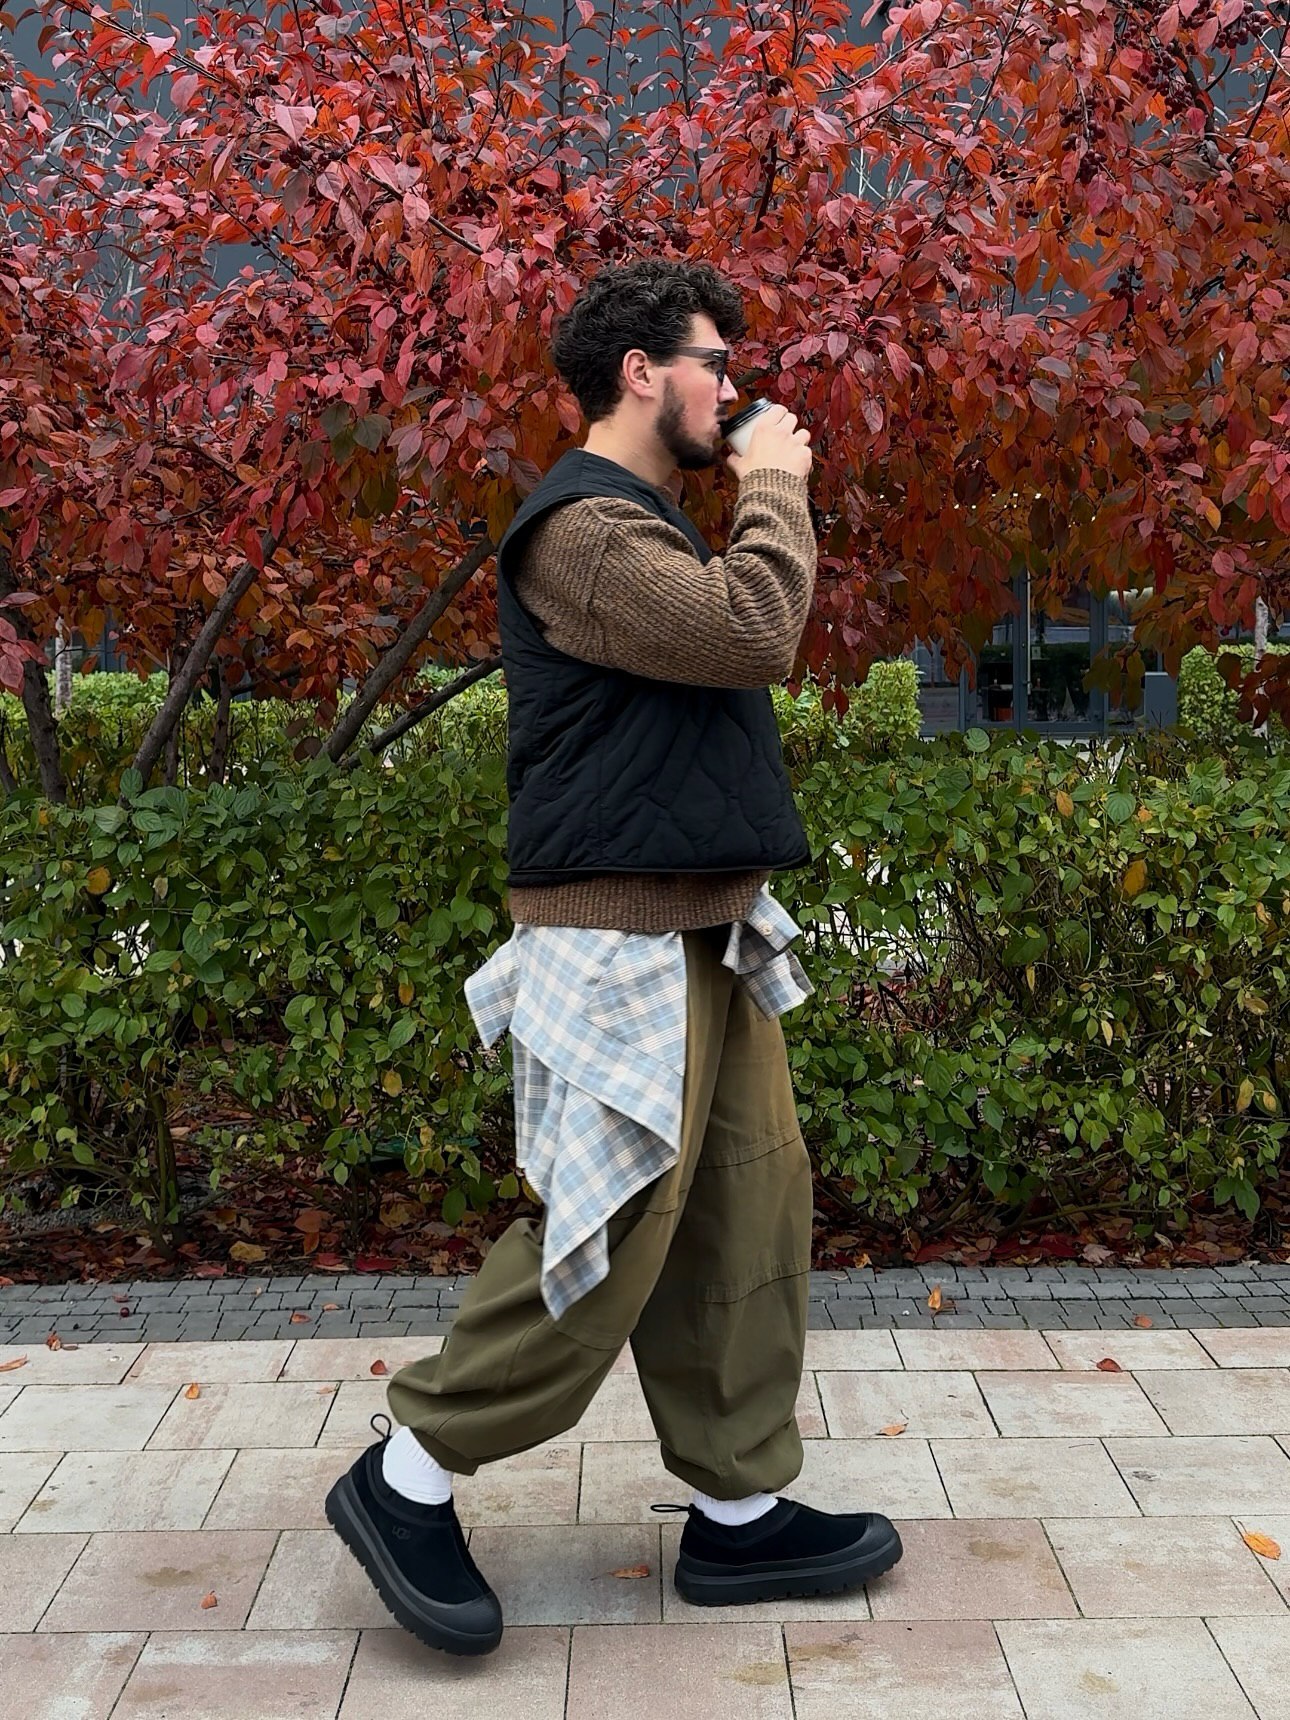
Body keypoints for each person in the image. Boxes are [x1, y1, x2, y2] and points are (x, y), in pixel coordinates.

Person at [325, 258, 902, 1656]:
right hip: (613, 939)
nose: (736, 390)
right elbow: (751, 630)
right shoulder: (581, 532)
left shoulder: (639, 522)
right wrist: (776, 485)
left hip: (702, 927)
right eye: (717, 363)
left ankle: (739, 1512)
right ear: (641, 371)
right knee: (608, 1230)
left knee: (746, 1212)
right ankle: (408, 1476)